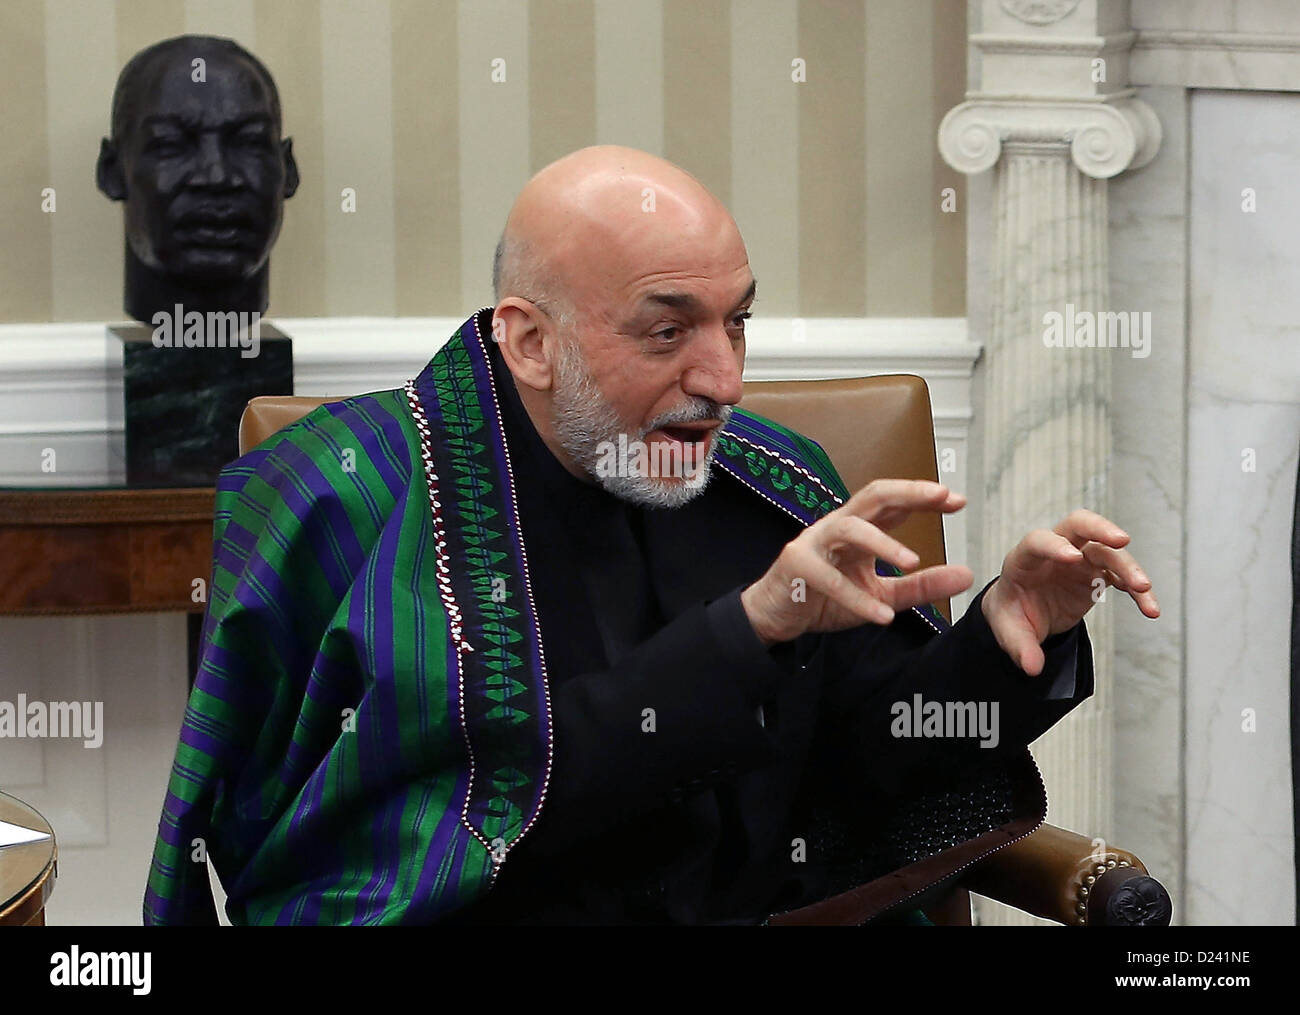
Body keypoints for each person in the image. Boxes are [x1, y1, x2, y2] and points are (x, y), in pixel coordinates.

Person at [144, 146, 1159, 925]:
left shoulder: (772, 476)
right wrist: (747, 633)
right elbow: (435, 814)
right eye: (667, 330)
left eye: (738, 322)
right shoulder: (343, 494)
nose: (722, 379)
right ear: (530, 340)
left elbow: (870, 769)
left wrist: (998, 641)